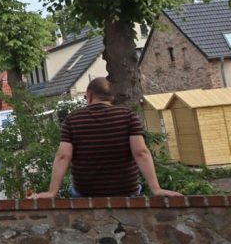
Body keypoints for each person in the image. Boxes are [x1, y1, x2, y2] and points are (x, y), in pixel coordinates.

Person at [33, 77, 179, 199]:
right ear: (112, 98)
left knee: (73, 189)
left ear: (89, 96)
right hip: (126, 191)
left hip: (86, 192)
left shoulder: (73, 119)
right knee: (137, 188)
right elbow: (141, 152)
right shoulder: (128, 116)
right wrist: (156, 189)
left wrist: (51, 192)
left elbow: (63, 156)